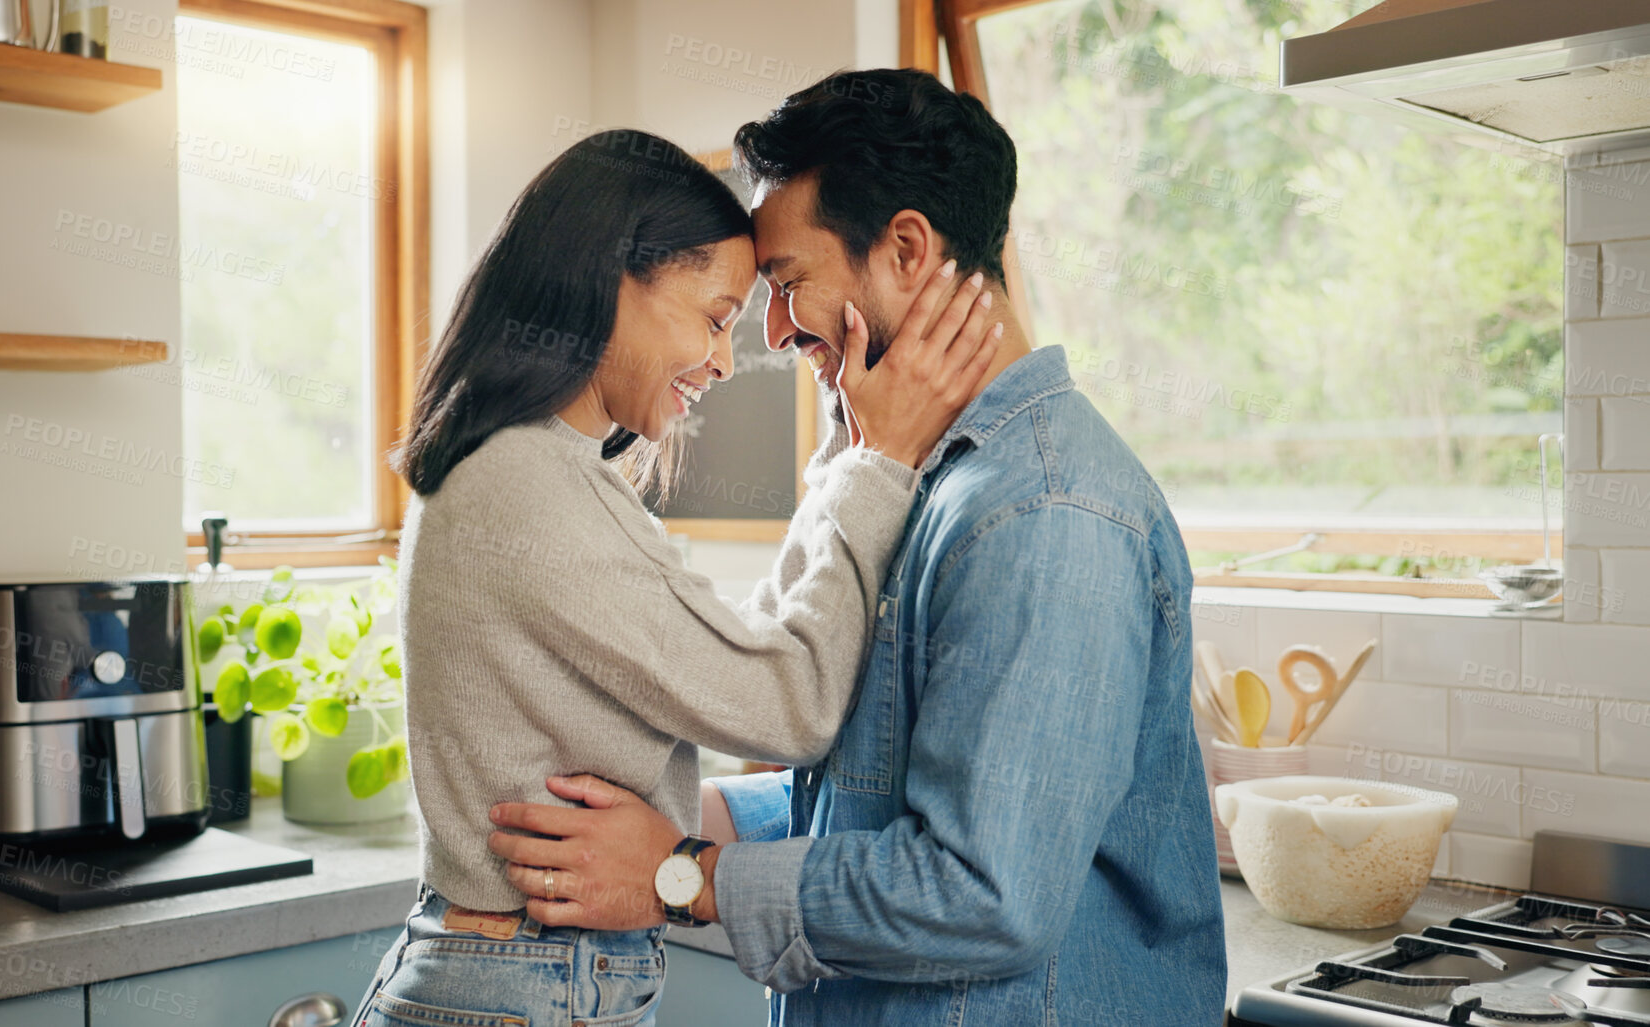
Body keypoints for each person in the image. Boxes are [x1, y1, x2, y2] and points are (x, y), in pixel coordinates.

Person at [487, 70, 1228, 1025]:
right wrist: (692, 818)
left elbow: (983, 891)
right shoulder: (913, 471)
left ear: (906, 249)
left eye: (791, 283)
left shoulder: (1044, 509)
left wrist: (687, 877)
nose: (777, 330)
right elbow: (884, 788)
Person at [350, 127, 1001, 1027]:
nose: (726, 360)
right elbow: (790, 704)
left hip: (517, 977)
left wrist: (850, 458)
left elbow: (749, 659)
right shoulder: (529, 486)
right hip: (525, 984)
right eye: (712, 316)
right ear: (616, 277)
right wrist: (878, 459)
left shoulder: (530, 468)